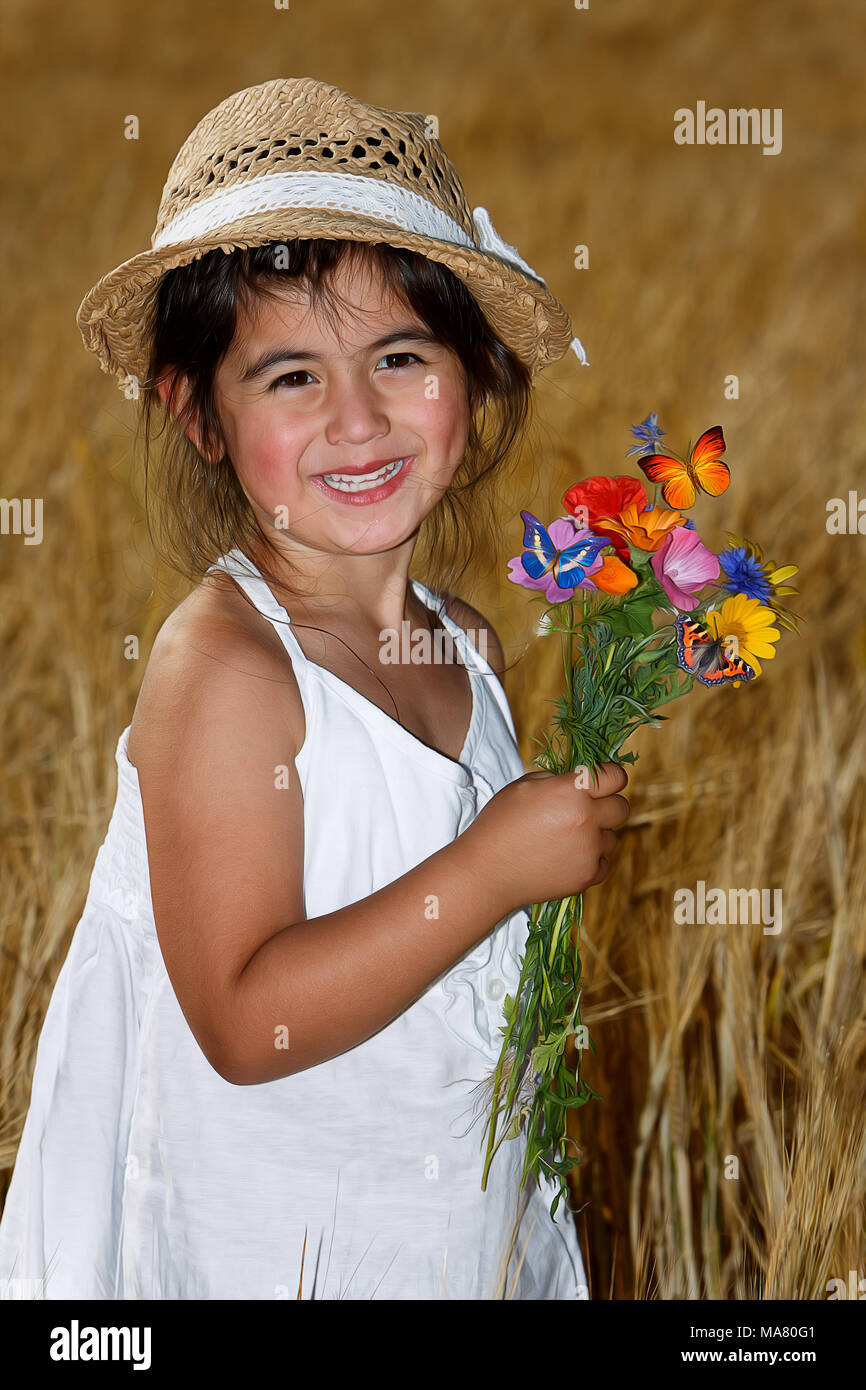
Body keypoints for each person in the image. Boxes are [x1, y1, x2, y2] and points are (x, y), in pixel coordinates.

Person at [0, 76, 630, 1300]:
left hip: (444, 1241)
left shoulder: (466, 648)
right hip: (267, 1254)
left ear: (473, 372)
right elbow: (244, 1021)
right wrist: (494, 866)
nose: (357, 418)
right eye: (290, 377)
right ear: (197, 414)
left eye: (400, 356)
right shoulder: (226, 670)